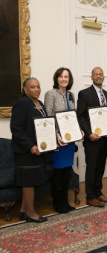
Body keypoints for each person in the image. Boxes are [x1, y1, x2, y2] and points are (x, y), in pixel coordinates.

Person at [10, 77, 48, 223]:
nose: (36, 89)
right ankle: (31, 213)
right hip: (25, 151)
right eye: (32, 87)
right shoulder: (22, 103)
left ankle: (23, 210)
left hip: (38, 150)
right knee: (28, 182)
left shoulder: (40, 104)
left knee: (31, 181)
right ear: (25, 89)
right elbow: (16, 129)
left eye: (38, 86)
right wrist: (30, 146)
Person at [77, 67, 107, 207]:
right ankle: (90, 196)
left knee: (100, 166)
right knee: (92, 166)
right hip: (91, 138)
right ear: (91, 77)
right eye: (96, 74)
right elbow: (80, 116)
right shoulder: (84, 94)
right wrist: (88, 133)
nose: (98, 76)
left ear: (103, 77)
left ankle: (98, 193)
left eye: (100, 74)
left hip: (104, 138)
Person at [44, 67, 78, 213]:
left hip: (70, 141)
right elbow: (48, 117)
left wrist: (79, 131)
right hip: (57, 140)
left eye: (66, 76)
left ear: (69, 80)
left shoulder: (71, 95)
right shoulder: (50, 94)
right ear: (56, 78)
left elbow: (73, 116)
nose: (64, 79)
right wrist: (56, 134)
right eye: (61, 76)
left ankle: (65, 202)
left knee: (66, 172)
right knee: (58, 173)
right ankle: (57, 203)